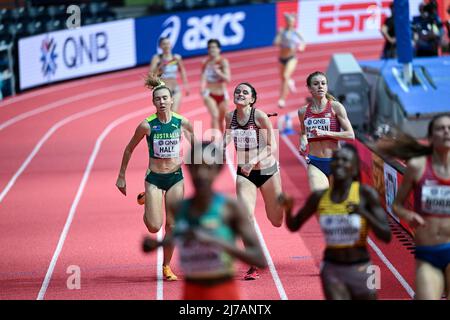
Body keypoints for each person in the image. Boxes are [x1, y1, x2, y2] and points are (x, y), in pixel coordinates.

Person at [142, 141, 267, 299]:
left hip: (224, 291)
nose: (201, 173)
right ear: (188, 168)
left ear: (218, 170)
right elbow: (186, 234)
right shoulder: (179, 208)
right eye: (196, 167)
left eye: (208, 167)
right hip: (191, 292)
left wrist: (216, 241)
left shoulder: (231, 208)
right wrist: (157, 244)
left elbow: (259, 259)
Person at [279, 144, 392, 300]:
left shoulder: (366, 194)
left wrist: (364, 213)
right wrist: (288, 209)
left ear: (354, 167)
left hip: (365, 267)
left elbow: (386, 235)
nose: (339, 163)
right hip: (332, 268)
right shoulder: (319, 197)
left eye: (345, 160)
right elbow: (294, 226)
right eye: (336, 159)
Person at [116, 73, 195, 281]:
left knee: (173, 225)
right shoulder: (147, 125)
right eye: (157, 99)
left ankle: (166, 266)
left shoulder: (182, 122)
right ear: (153, 102)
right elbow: (128, 149)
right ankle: (147, 203)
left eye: (164, 98)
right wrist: (121, 176)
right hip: (154, 178)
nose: (161, 102)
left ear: (171, 100)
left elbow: (196, 146)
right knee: (154, 226)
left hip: (175, 177)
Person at [376, 113, 450, 300]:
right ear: (431, 137)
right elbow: (397, 205)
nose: (447, 132)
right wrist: (409, 215)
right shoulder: (418, 167)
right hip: (429, 250)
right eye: (441, 129)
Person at [223, 82, 283, 280]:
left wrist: (253, 161)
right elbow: (227, 137)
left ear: (252, 99)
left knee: (276, 220)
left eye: (245, 92)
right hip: (245, 174)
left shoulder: (259, 116)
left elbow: (271, 146)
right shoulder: (229, 116)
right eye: (237, 91)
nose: (240, 94)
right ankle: (254, 263)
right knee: (245, 216)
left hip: (267, 170)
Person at [298, 71, 355, 192]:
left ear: (327, 86)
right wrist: (303, 142)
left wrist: (326, 133)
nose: (320, 86)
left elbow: (351, 135)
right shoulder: (303, 112)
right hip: (315, 162)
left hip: (336, 162)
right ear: (309, 88)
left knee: (339, 204)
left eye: (323, 83)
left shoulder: (336, 107)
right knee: (321, 200)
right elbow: (303, 133)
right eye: (316, 84)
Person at [273, 12, 306, 109]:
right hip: (281, 59)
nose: (290, 23)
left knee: (285, 76)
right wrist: (279, 37)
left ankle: (282, 99)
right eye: (288, 21)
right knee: (283, 79)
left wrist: (301, 47)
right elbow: (275, 43)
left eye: (291, 22)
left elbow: (303, 42)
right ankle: (290, 82)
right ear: (286, 22)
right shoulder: (282, 31)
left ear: (293, 22)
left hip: (292, 58)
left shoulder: (296, 33)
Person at [149, 37, 189, 112]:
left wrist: (186, 85)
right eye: (164, 44)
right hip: (163, 92)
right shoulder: (157, 58)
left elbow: (182, 70)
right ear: (160, 46)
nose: (166, 46)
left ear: (171, 45)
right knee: (166, 115)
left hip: (175, 90)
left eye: (168, 43)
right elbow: (151, 75)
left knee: (175, 112)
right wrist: (160, 67)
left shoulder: (176, 58)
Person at [201, 39, 231, 134]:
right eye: (210, 47)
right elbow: (203, 77)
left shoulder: (223, 62)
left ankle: (222, 141)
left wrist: (219, 72)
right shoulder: (205, 62)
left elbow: (228, 79)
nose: (212, 49)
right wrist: (202, 88)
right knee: (214, 115)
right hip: (209, 94)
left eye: (214, 47)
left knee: (221, 120)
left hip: (222, 95)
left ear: (219, 49)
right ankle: (214, 142)